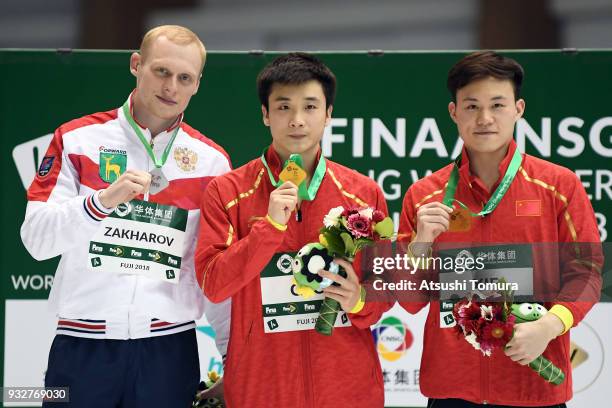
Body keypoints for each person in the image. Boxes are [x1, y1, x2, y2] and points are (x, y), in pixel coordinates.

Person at [20, 25, 232, 407]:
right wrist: (100, 203)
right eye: (161, 71)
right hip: (81, 345)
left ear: (197, 84)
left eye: (184, 78)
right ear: (137, 64)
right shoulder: (76, 139)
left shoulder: (211, 161)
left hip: (170, 350)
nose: (171, 86)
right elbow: (36, 239)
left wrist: (232, 357)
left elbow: (213, 271)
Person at [397, 51, 602, 408]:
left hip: (533, 383)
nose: (485, 118)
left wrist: (549, 326)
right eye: (472, 106)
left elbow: (586, 272)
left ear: (518, 109)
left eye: (497, 104)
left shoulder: (558, 185)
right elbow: (410, 301)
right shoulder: (424, 195)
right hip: (452, 389)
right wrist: (421, 244)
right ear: (454, 112)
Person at [195, 53, 388, 407]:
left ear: (328, 114)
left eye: (310, 107)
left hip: (348, 389)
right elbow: (213, 282)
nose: (297, 121)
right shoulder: (228, 192)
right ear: (265, 114)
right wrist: (268, 229)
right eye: (284, 107)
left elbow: (386, 292)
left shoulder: (363, 193)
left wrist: (358, 299)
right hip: (262, 389)